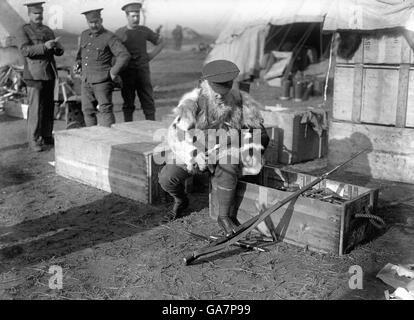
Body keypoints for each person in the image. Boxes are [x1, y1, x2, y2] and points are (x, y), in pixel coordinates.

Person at [158, 60, 270, 235]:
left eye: (224, 93)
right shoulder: (192, 103)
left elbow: (260, 134)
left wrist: (240, 148)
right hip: (196, 151)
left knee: (229, 163)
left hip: (226, 152)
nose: (220, 96)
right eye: (216, 93)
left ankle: (224, 216)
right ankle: (180, 200)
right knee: (167, 177)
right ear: (206, 85)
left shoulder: (242, 102)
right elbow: (176, 134)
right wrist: (194, 154)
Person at [16, 1, 64, 152]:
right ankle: (34, 140)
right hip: (34, 74)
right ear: (29, 15)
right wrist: (44, 47)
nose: (39, 16)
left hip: (49, 73)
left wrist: (58, 48)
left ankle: (47, 135)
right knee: (35, 108)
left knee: (49, 107)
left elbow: (56, 52)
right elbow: (25, 51)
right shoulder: (23, 30)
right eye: (35, 13)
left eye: (40, 13)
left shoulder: (48, 30)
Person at [74, 8, 130, 127]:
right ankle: (92, 139)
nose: (94, 25)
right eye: (91, 23)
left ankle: (107, 141)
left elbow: (124, 55)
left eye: (96, 22)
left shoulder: (109, 37)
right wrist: (78, 64)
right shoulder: (84, 35)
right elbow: (80, 55)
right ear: (87, 23)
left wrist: (113, 73)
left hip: (102, 81)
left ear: (101, 20)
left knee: (105, 110)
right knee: (87, 111)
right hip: (86, 81)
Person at [115, 2, 165, 122]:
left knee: (148, 101)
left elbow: (161, 42)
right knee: (128, 103)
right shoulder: (120, 33)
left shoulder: (144, 30)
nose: (136, 19)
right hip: (126, 73)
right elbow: (113, 52)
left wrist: (151, 55)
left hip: (143, 71)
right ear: (127, 16)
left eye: (138, 16)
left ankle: (152, 127)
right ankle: (128, 128)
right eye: (133, 16)